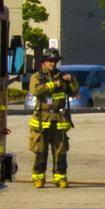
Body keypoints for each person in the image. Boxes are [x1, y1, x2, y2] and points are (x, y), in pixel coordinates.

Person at [27, 49, 80, 188]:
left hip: (59, 120)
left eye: (55, 61)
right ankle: (38, 178)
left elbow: (74, 92)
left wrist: (72, 80)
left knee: (60, 151)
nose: (52, 64)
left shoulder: (62, 76)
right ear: (44, 62)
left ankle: (60, 177)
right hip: (42, 120)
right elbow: (36, 90)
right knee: (40, 151)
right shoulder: (37, 77)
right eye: (50, 61)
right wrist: (55, 84)